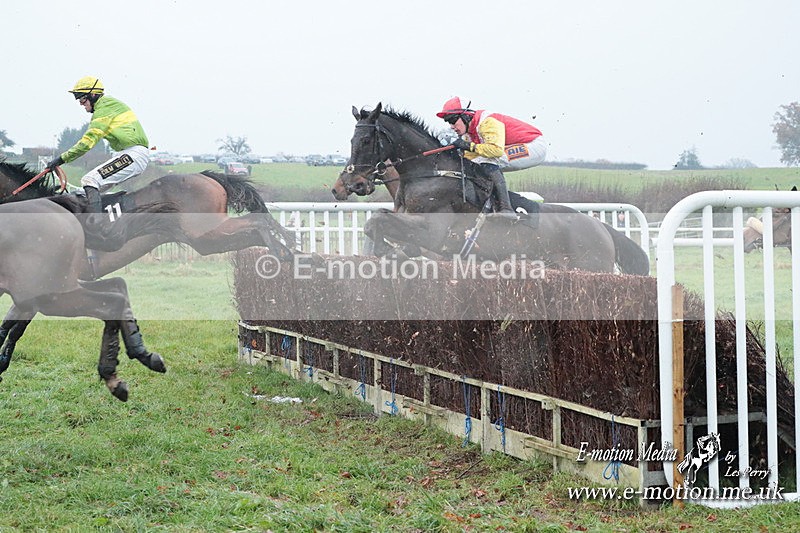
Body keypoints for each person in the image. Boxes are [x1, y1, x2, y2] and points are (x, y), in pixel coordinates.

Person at [46, 76, 150, 214]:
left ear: (93, 95)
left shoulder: (104, 108)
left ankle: (95, 223)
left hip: (133, 155)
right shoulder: (107, 105)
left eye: (82, 99)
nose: (81, 104)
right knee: (82, 193)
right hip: (128, 154)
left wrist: (61, 159)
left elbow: (87, 143)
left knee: (90, 180)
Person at [437, 96, 546, 217]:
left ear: (465, 116)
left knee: (489, 159)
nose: (451, 126)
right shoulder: (470, 131)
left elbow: (496, 151)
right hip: (514, 145)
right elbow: (471, 157)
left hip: (533, 145)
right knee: (476, 164)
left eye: (452, 120)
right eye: (448, 122)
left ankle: (506, 209)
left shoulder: (487, 122)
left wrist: (469, 146)